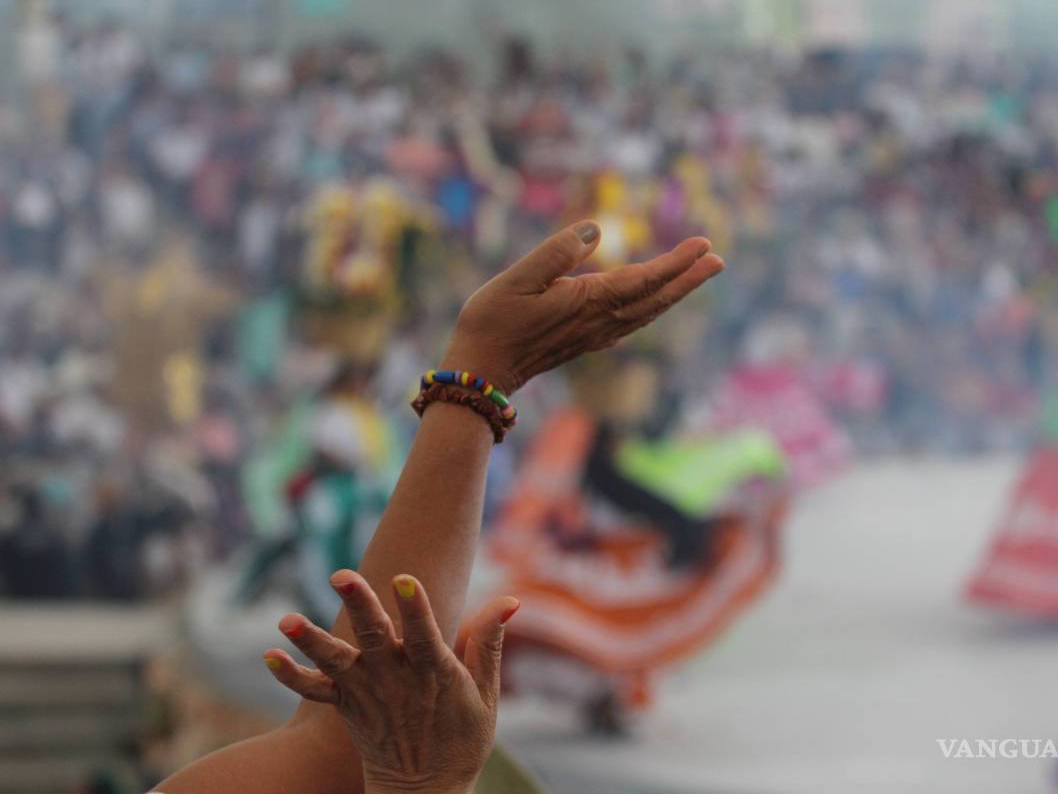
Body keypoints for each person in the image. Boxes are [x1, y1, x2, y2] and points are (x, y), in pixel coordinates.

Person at [151, 221, 724, 793]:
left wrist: (481, 373)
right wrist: (419, 779)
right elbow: (349, 751)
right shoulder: (333, 451)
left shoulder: (359, 431)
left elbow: (339, 748)